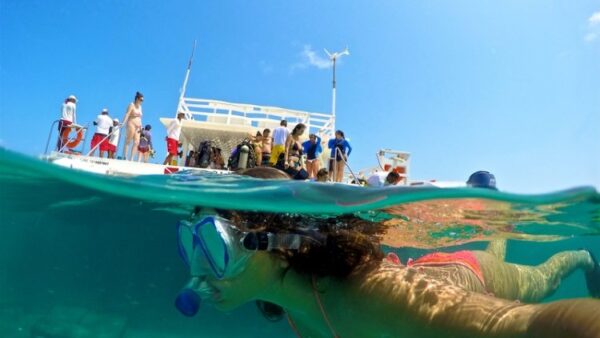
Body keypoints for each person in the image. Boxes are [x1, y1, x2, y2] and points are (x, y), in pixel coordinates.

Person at [174, 168, 600, 338]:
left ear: (277, 244)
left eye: (213, 244)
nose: (197, 268)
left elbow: (530, 325)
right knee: (499, 246)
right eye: (189, 242)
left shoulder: (365, 294)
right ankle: (499, 225)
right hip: (433, 270)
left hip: (472, 276)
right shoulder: (291, 301)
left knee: (542, 280)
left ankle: (581, 254)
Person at [122, 91, 144, 161]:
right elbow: (127, 114)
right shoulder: (131, 105)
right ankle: (125, 156)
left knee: (136, 142)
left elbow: (140, 118)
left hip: (138, 125)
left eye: (142, 100)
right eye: (141, 100)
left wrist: (141, 126)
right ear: (137, 99)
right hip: (131, 123)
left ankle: (131, 158)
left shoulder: (140, 107)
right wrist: (123, 122)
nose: (142, 101)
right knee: (128, 140)